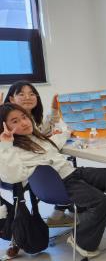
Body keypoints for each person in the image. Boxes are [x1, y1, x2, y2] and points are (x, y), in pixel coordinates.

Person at [0, 103, 106, 258]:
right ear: (4, 126)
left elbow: (53, 144)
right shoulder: (12, 150)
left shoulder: (35, 138)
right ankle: (81, 241)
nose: (23, 122)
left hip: (72, 173)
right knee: (102, 203)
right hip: (60, 185)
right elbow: (12, 176)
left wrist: (67, 131)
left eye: (24, 117)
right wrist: (6, 146)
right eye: (15, 121)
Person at [3, 82, 73, 227]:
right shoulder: (7, 127)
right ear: (11, 99)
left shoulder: (31, 120)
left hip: (35, 171)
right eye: (21, 94)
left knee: (62, 169)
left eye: (32, 93)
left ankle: (60, 213)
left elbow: (43, 131)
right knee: (62, 173)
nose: (28, 97)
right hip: (19, 174)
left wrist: (55, 115)